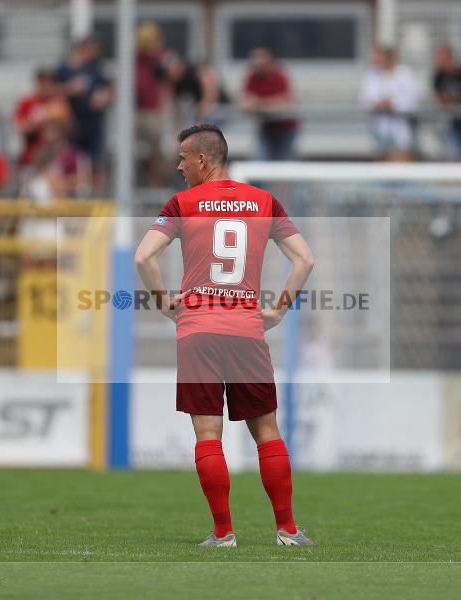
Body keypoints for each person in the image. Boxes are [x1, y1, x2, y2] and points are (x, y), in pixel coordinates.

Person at [134, 124, 316, 547]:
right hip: (246, 326)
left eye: (183, 158)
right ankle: (287, 530)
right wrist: (279, 309)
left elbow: (144, 256)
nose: (178, 166)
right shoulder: (264, 201)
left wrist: (163, 299)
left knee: (207, 434)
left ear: (203, 159)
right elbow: (305, 259)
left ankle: (223, 533)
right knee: (267, 431)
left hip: (198, 327)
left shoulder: (182, 203)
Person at [54, 36, 112, 193]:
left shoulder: (96, 68)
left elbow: (110, 87)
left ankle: (97, 194)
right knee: (70, 158)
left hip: (93, 122)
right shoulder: (66, 69)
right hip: (72, 122)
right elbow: (51, 89)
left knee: (96, 159)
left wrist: (104, 97)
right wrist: (70, 89)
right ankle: (70, 192)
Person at [359, 46, 420, 162]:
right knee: (382, 158)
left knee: (402, 157)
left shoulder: (404, 74)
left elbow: (413, 99)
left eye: (379, 59)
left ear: (388, 58)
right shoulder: (372, 76)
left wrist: (393, 104)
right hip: (380, 126)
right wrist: (379, 104)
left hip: (401, 125)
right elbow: (365, 99)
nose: (376, 62)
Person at [241, 47, 299, 161]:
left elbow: (286, 100)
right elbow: (246, 103)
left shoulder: (279, 76)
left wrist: (260, 102)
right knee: (260, 161)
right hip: (266, 128)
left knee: (287, 164)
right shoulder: (252, 77)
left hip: (286, 129)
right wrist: (267, 103)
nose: (259, 67)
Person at [14, 68, 72, 172]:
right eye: (41, 83)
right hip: (31, 155)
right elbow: (21, 128)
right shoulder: (27, 103)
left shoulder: (58, 103)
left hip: (55, 157)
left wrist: (53, 118)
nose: (44, 87)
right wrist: (41, 119)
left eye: (47, 83)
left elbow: (68, 129)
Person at [135, 21, 169, 186]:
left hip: (152, 111)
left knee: (155, 151)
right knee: (134, 151)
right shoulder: (134, 58)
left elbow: (165, 81)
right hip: (134, 111)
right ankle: (135, 183)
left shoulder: (158, 59)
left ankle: (156, 184)